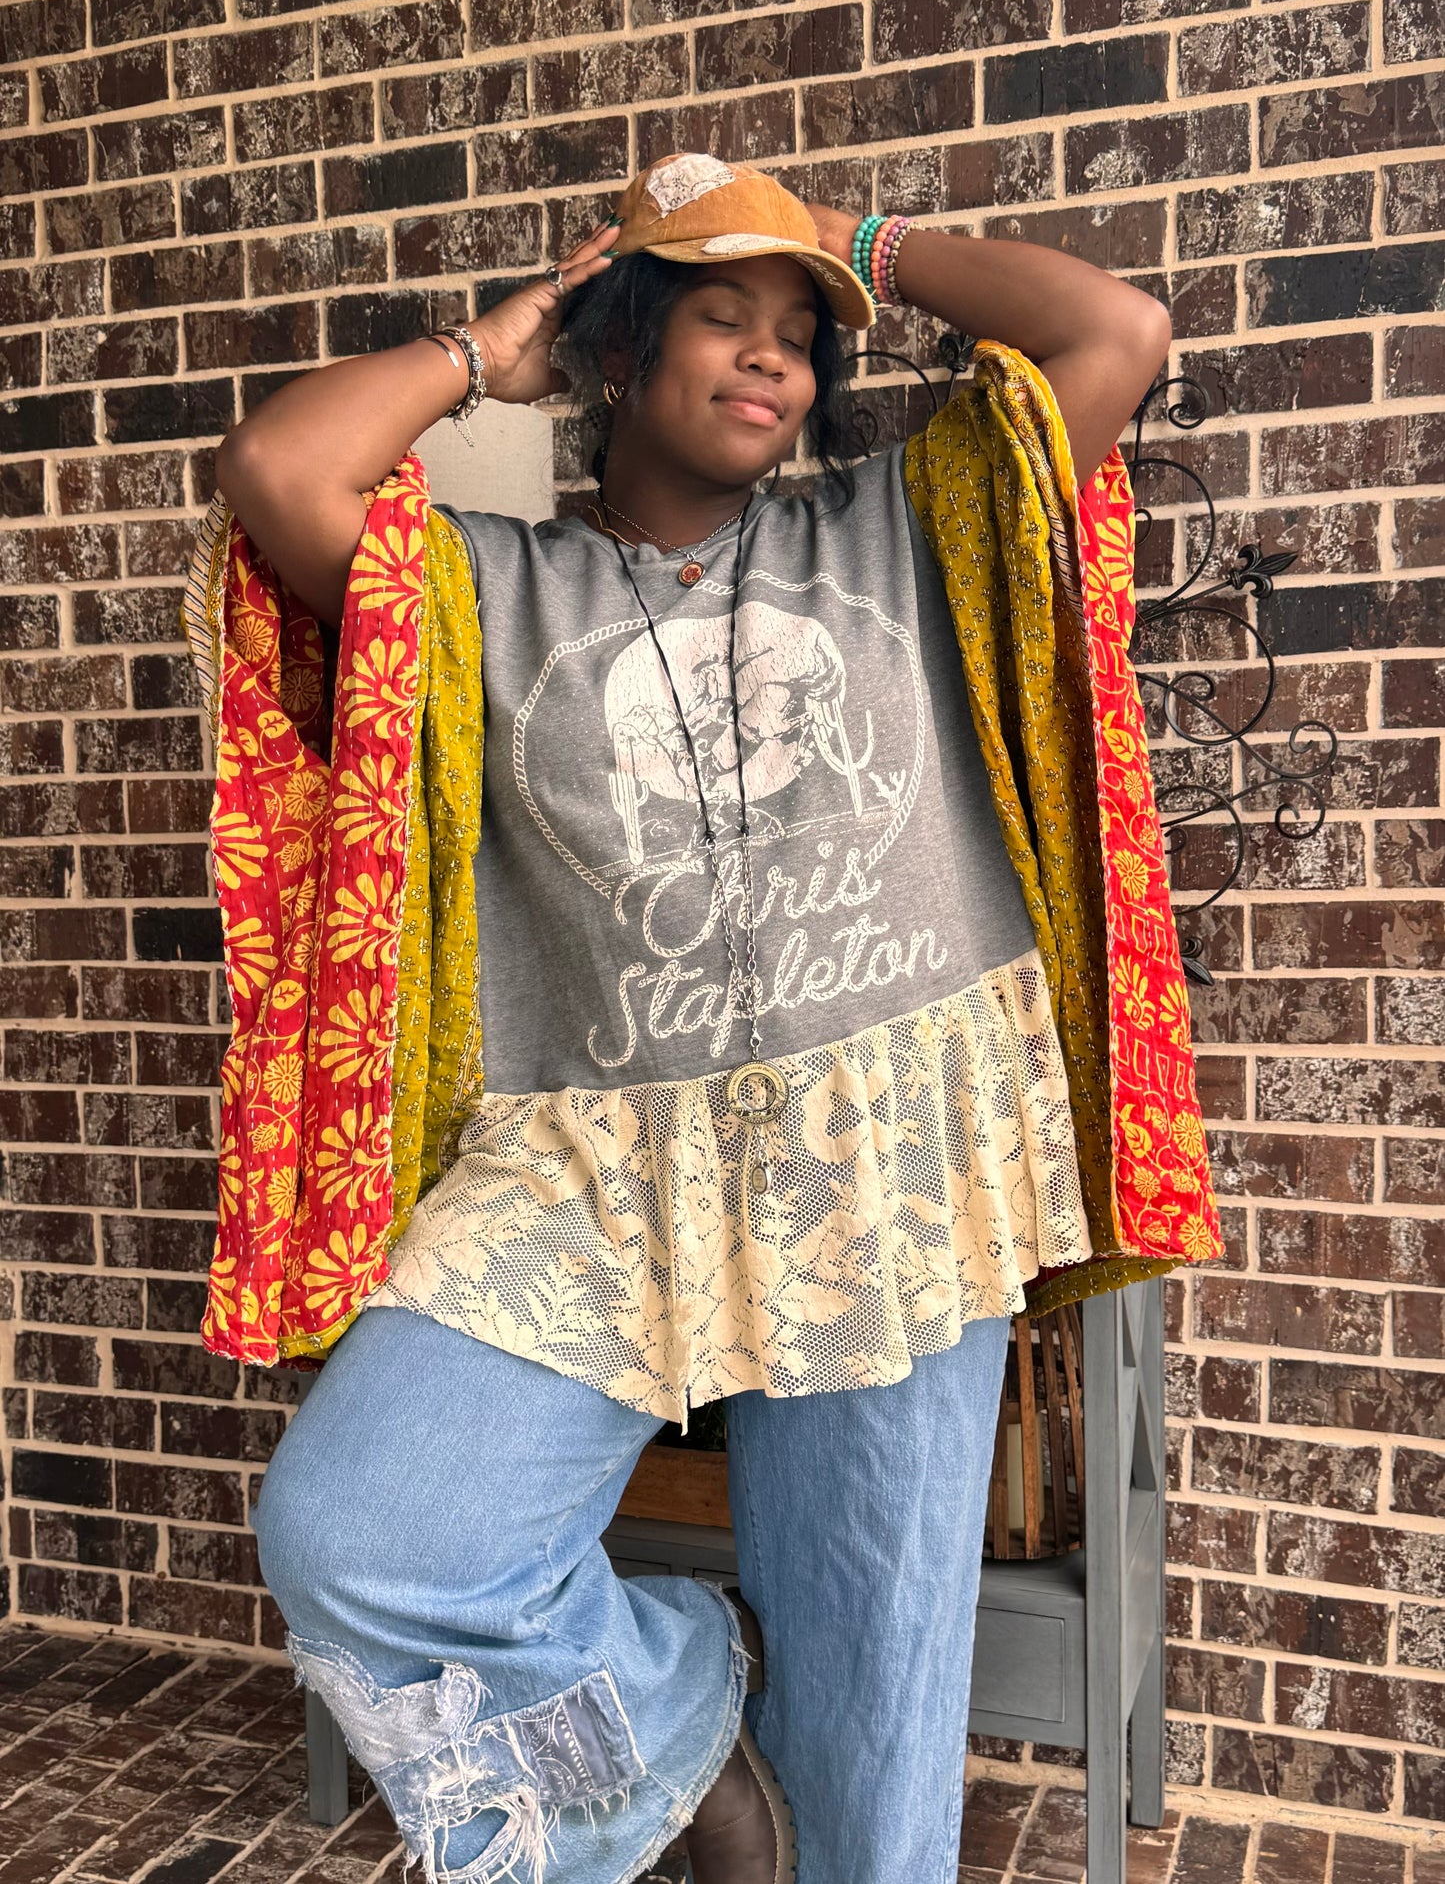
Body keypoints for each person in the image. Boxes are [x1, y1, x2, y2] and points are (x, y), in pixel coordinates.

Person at [209, 153, 1177, 1884]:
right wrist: (489, 346)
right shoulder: (479, 587)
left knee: (874, 1696)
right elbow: (284, 467)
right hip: (587, 1165)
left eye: (798, 333)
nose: (770, 355)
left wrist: (842, 238)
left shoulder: (897, 525)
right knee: (366, 1530)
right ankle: (682, 1735)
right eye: (720, 314)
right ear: (620, 351)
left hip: (883, 1149)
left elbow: (1112, 332)